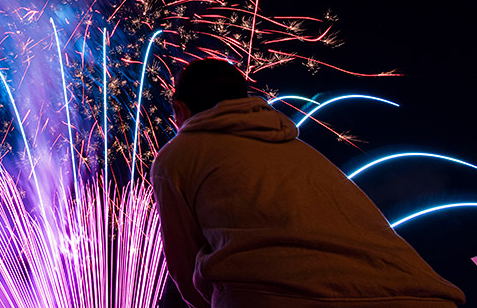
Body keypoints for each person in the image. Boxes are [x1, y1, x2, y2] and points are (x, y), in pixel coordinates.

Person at [151, 58, 466, 308]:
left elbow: (184, 267)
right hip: (421, 294)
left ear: (180, 109)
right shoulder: (298, 148)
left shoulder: (179, 155)